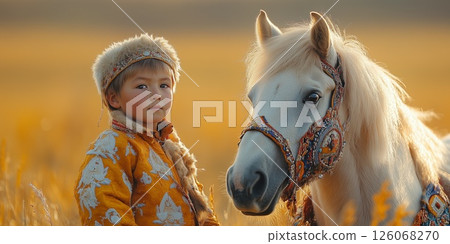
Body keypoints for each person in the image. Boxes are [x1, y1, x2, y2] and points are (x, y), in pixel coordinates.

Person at [74, 34, 219, 226]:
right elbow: (104, 212)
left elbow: (203, 215)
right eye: (142, 86)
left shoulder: (172, 146)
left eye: (164, 85)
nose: (157, 95)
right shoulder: (111, 149)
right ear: (114, 98)